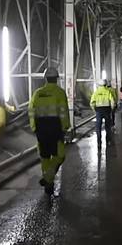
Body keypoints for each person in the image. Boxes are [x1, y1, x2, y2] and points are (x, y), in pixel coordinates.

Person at [28, 67, 70, 195]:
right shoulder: (60, 93)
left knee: (45, 157)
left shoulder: (37, 93)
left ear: (45, 78)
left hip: (41, 128)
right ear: (56, 79)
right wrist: (65, 127)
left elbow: (31, 111)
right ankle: (48, 178)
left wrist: (34, 127)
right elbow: (63, 112)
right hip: (55, 127)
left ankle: (48, 184)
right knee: (60, 155)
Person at [90, 78, 116, 149]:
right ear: (105, 84)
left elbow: (92, 102)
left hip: (99, 110)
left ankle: (99, 142)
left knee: (98, 127)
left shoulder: (96, 92)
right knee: (108, 127)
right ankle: (108, 141)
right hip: (107, 110)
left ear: (98, 85)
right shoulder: (108, 92)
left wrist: (94, 109)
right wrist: (111, 109)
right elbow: (112, 102)